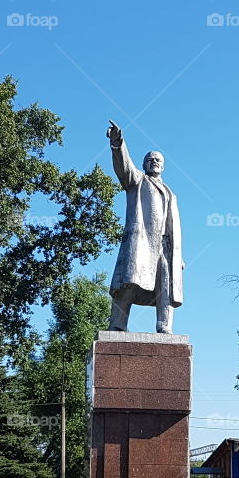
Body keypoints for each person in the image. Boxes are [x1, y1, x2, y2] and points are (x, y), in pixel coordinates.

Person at [106, 121, 183, 333]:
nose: (154, 162)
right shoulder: (138, 181)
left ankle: (164, 327)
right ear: (144, 165)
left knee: (166, 287)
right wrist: (117, 143)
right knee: (128, 283)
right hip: (142, 241)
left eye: (157, 160)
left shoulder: (170, 193)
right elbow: (124, 168)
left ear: (163, 165)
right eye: (149, 160)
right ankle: (117, 325)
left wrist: (178, 256)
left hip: (166, 248)